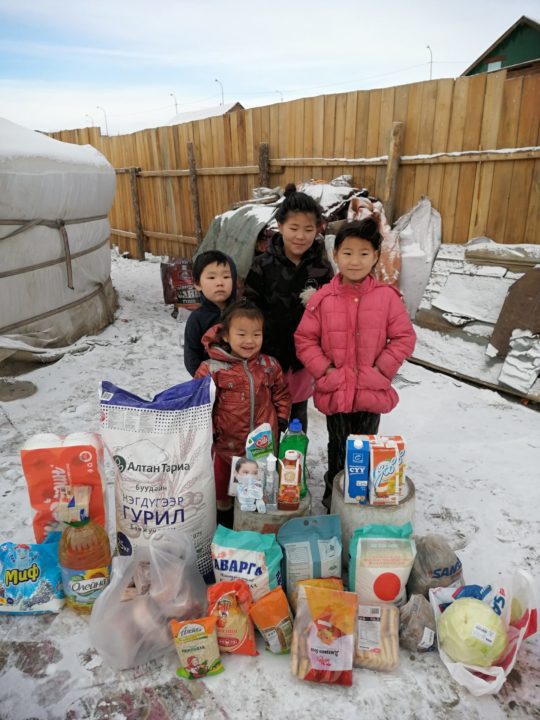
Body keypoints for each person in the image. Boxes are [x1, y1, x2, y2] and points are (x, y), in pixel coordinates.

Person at [294, 217, 416, 508]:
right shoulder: (322, 299)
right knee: (337, 444)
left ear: (375, 257)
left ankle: (358, 493)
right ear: (336, 256)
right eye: (347, 253)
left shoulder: (387, 298)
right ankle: (333, 494)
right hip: (336, 387)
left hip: (370, 389)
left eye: (364, 253)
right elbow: (304, 339)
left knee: (364, 444)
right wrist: (325, 370)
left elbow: (404, 337)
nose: (355, 261)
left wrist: (381, 371)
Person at [244, 184, 333, 431]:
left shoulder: (322, 269)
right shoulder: (262, 265)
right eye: (293, 228)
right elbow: (249, 308)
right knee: (265, 409)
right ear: (280, 226)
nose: (300, 236)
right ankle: (264, 461)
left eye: (308, 229)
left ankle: (295, 460)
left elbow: (330, 312)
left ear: (318, 229)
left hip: (302, 359)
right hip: (267, 355)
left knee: (297, 411)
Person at [195, 299, 291, 525]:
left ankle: (251, 532)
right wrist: (208, 432)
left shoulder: (269, 365)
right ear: (226, 335)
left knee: (255, 496)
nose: (250, 341)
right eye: (241, 334)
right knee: (222, 497)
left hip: (260, 450)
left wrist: (282, 418)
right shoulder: (212, 368)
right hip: (225, 447)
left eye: (256, 334)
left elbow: (282, 394)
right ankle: (225, 529)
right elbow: (199, 405)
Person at [183, 251, 237, 376]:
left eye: (226, 277)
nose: (220, 282)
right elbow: (191, 358)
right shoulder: (197, 319)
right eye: (212, 277)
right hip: (211, 383)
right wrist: (204, 379)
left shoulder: (242, 313)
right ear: (197, 284)